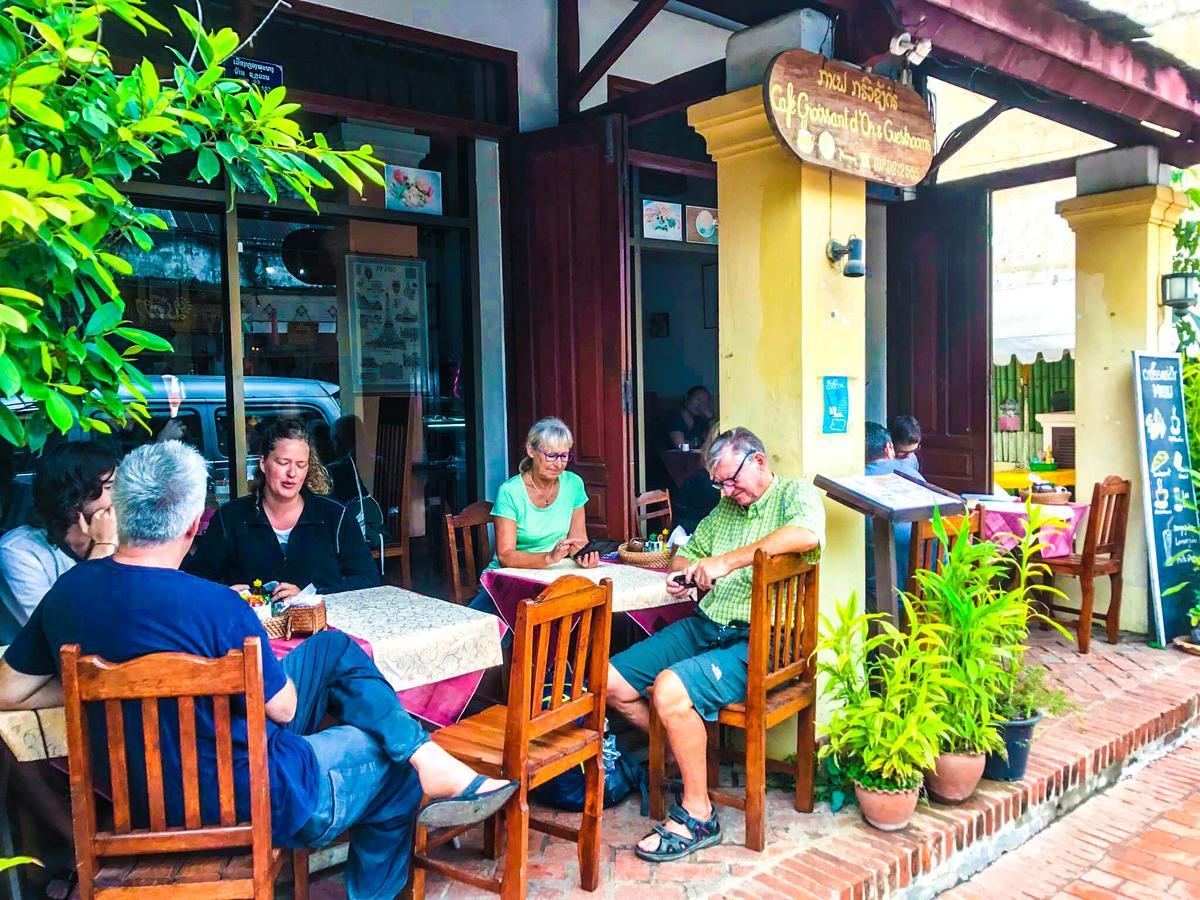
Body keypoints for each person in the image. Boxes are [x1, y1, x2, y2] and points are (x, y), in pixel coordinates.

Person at [0, 441, 516, 899]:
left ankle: (416, 751)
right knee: (390, 762)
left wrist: (109, 681)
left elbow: (10, 691)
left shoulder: (70, 595)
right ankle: (417, 762)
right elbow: (285, 707)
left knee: (332, 648)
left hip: (136, 801)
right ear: (192, 523)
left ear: (119, 513)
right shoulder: (217, 606)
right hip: (253, 798)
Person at [606, 427, 824, 862]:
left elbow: (806, 536)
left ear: (758, 461)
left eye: (731, 479)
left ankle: (699, 813)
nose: (726, 490)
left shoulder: (794, 496)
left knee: (669, 688)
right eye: (719, 483)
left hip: (762, 641)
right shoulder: (724, 509)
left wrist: (725, 562)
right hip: (706, 627)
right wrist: (685, 572)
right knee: (608, 680)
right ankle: (684, 748)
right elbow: (687, 551)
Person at [186, 417, 378, 602]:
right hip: (252, 629)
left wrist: (311, 596)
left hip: (322, 627)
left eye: (301, 465)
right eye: (283, 463)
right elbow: (197, 578)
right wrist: (225, 594)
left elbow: (366, 579)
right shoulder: (230, 518)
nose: (292, 473)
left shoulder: (335, 515)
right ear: (263, 463)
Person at [469, 417, 599, 614]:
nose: (558, 464)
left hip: (556, 575)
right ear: (531, 450)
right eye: (551, 456)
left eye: (564, 456)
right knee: (483, 632)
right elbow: (506, 556)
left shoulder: (573, 484)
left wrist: (583, 556)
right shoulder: (510, 492)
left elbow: (578, 541)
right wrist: (548, 558)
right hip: (509, 578)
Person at [0, 441, 122, 643]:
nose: (121, 497)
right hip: (38, 670)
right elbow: (63, 632)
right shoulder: (18, 553)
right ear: (74, 498)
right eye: (110, 487)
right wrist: (102, 549)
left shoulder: (122, 540)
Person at [864, 422, 925, 609]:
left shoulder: (857, 481)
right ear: (889, 448)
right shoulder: (913, 476)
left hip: (889, 593)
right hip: (931, 585)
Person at [668, 386, 713, 450]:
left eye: (705, 402)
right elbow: (681, 446)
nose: (700, 405)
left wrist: (710, 417)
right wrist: (699, 444)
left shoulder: (699, 420)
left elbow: (712, 442)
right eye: (698, 399)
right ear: (687, 399)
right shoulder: (675, 417)